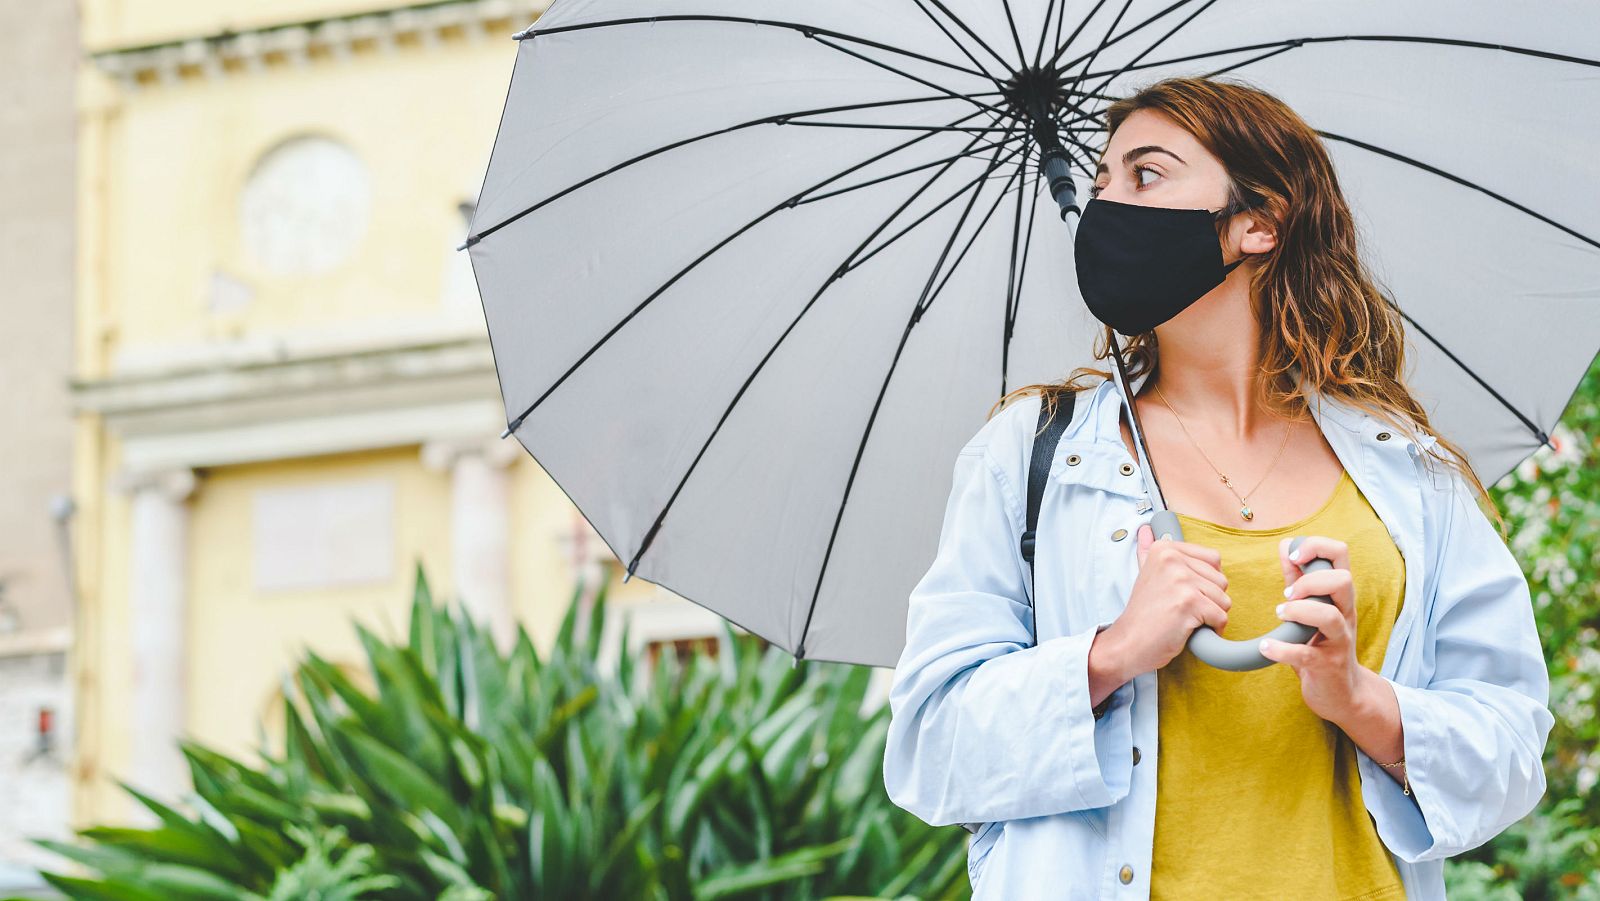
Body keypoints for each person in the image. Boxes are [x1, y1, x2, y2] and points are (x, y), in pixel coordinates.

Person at [881, 75, 1553, 901]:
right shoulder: (1032, 454)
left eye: (1145, 175)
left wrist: (1360, 697)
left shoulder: (1407, 472)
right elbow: (928, 747)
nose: (1105, 208)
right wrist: (1111, 652)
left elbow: (1514, 748)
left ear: (1257, 224)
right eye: (1097, 184)